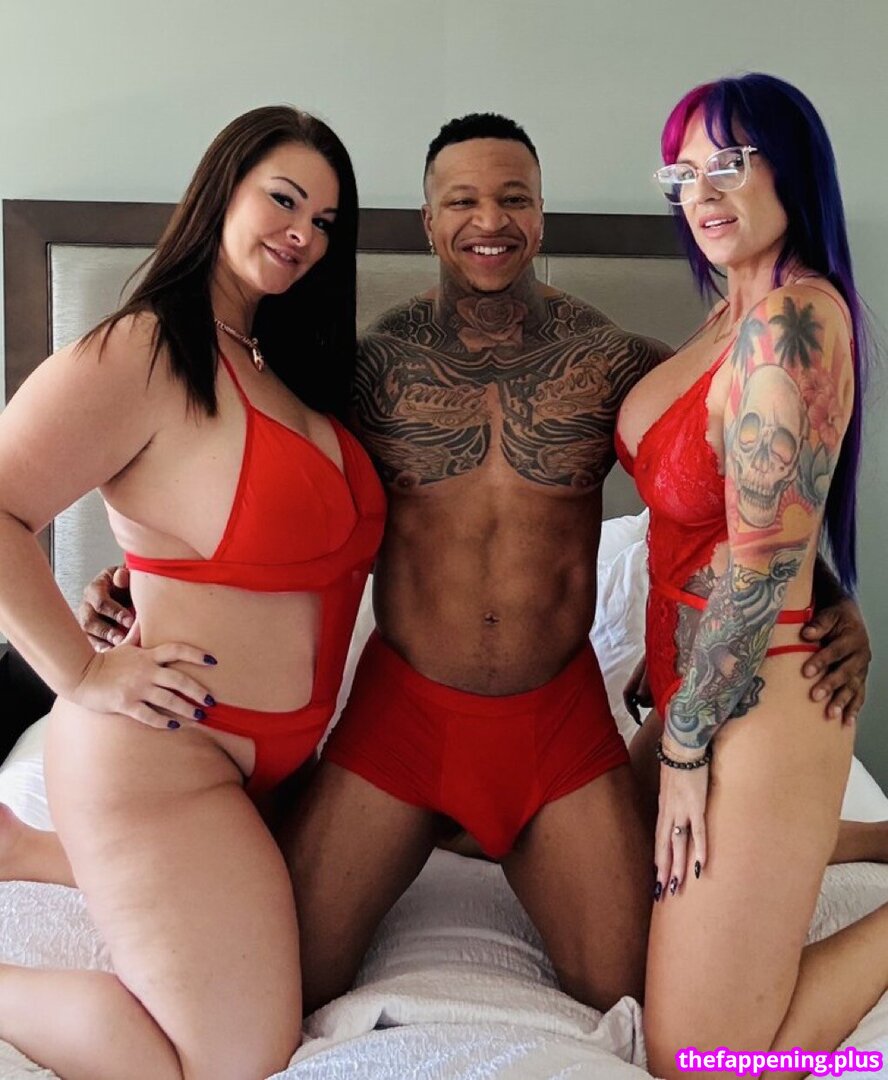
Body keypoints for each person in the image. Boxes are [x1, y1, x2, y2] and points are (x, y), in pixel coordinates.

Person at [34, 114, 876, 1016]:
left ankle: (832, 838)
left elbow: (722, 487)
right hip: (405, 713)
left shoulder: (613, 364)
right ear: (428, 222)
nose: (491, 219)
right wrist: (140, 580)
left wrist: (828, 596)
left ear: (542, 216)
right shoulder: (362, 372)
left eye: (515, 198)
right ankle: (50, 850)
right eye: (462, 200)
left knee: (623, 990)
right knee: (298, 980)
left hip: (555, 718)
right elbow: (264, 497)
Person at [0, 106, 384, 1080]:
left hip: (281, 768)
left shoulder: (281, 366)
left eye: (326, 221)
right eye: (283, 199)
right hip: (166, 759)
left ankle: (40, 854)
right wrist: (82, 672)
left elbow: (242, 541)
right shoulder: (144, 349)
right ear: (221, 190)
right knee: (234, 1062)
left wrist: (143, 577)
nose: (303, 234)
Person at [613, 74, 888, 1078]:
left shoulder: (790, 324)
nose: (703, 191)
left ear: (793, 166)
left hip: (755, 696)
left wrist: (686, 751)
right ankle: (843, 840)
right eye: (682, 173)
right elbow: (743, 512)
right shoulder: (728, 317)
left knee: (695, 1056)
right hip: (694, 684)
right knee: (582, 876)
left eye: (729, 161)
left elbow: (763, 565)